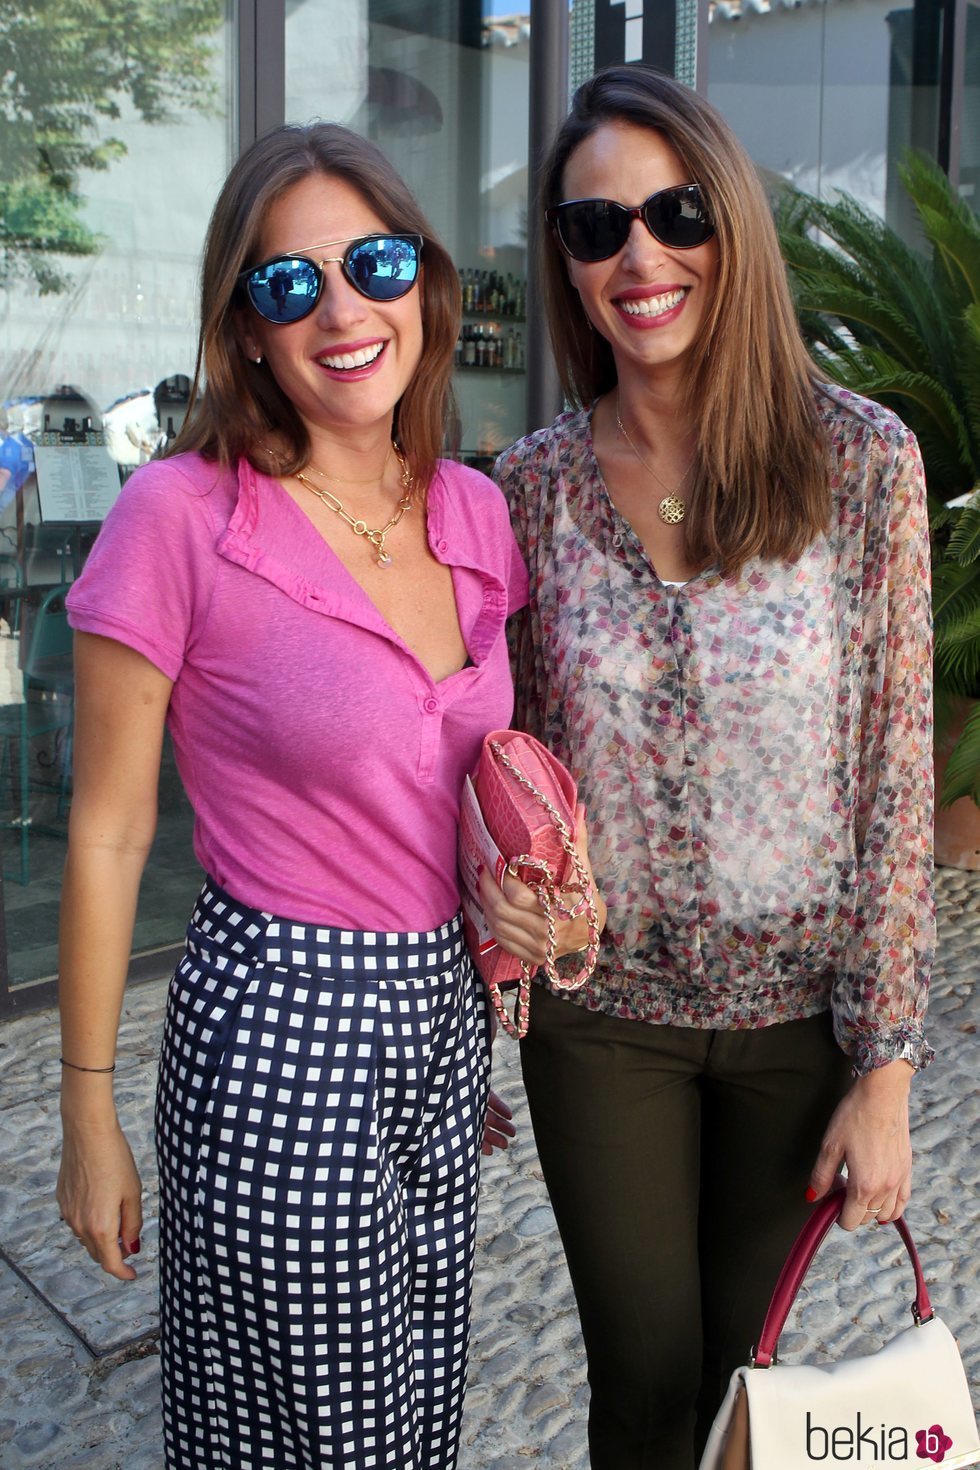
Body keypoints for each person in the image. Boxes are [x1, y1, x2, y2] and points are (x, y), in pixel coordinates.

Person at [481, 65, 934, 1470]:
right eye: (595, 227)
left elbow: (897, 777)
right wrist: (505, 896)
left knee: (745, 1381)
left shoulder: (861, 463)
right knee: (643, 1372)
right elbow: (511, 758)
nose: (641, 256)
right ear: (564, 259)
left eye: (676, 212)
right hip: (604, 1016)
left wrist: (889, 1069)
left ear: (730, 222)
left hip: (797, 1021)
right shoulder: (533, 486)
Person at [56, 122, 525, 1470]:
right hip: (280, 1029)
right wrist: (86, 1114)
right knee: (310, 1438)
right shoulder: (181, 516)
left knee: (416, 1414)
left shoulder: (472, 513)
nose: (340, 310)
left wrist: (516, 934)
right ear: (246, 329)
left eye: (372, 263)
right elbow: (109, 828)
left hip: (441, 1028)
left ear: (424, 287)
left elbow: (468, 781)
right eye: (286, 284)